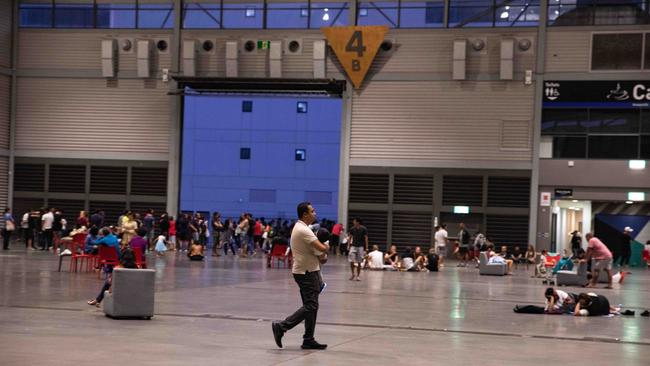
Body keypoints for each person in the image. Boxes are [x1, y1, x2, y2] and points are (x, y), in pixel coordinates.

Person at [272, 202, 329, 350]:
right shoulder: (304, 230)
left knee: (312, 307)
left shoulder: (305, 230)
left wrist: (322, 252)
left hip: (311, 271)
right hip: (306, 273)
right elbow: (323, 249)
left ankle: (308, 339)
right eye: (312, 211)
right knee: (311, 305)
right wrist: (326, 245)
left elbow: (321, 257)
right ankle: (282, 326)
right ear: (305, 214)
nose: (315, 213)